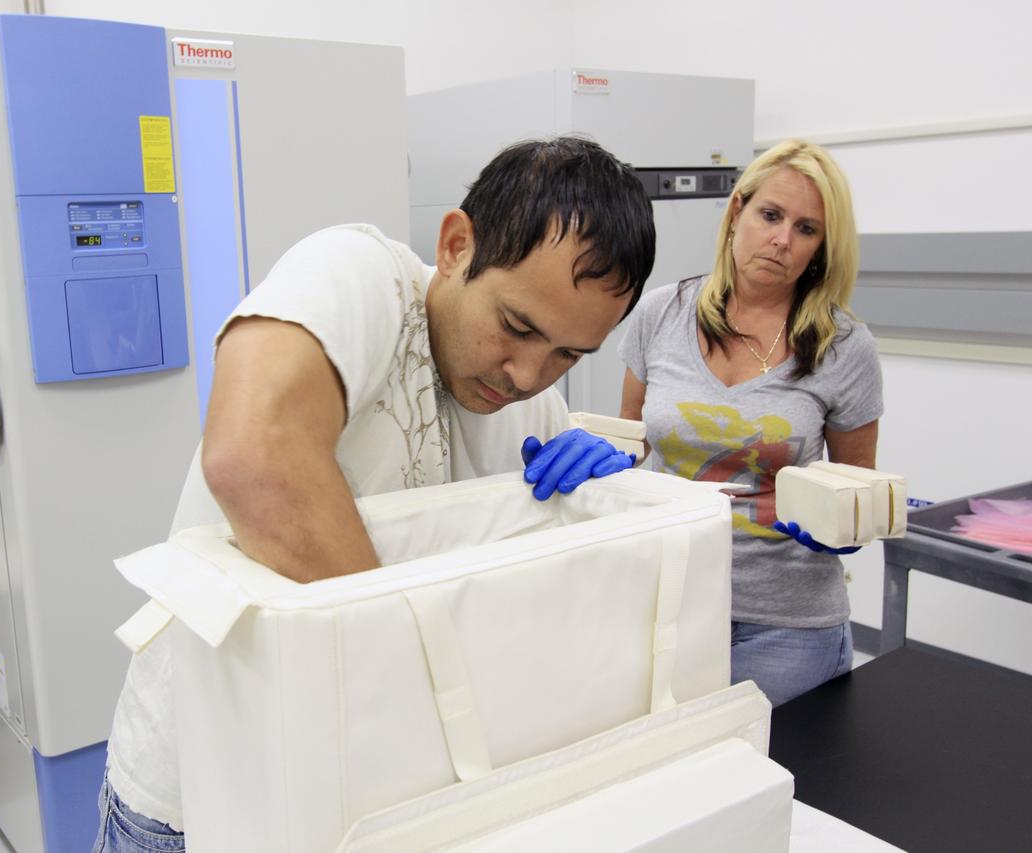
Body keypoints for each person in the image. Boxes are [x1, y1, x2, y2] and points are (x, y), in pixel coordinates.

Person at [94, 136, 657, 851]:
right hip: (204, 786)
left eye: (570, 354)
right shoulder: (362, 277)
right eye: (516, 326)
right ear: (456, 246)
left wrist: (596, 518)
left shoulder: (534, 411)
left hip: (371, 797)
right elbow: (252, 454)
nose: (526, 373)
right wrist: (417, 690)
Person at [617, 139, 881, 708]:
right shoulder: (660, 314)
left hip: (787, 624)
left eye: (807, 229)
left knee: (769, 782)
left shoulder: (845, 347)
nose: (783, 240)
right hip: (671, 604)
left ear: (821, 248)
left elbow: (859, 490)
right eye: (770, 215)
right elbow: (629, 449)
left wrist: (844, 526)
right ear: (736, 211)